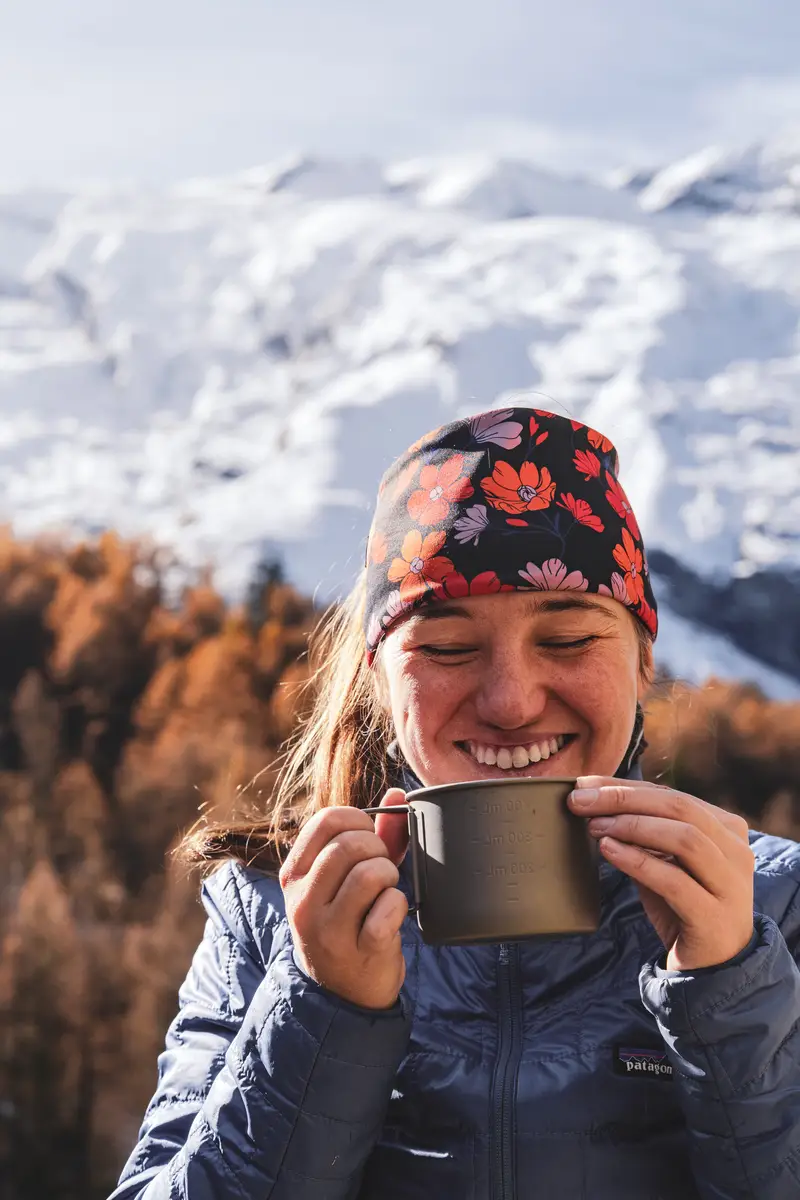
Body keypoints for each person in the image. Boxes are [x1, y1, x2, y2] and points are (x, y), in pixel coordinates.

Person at [110, 408, 800, 1200]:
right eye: (446, 649)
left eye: (568, 640)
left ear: (644, 661)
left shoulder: (774, 908)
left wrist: (729, 993)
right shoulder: (272, 913)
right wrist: (322, 1008)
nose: (511, 701)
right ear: (379, 681)